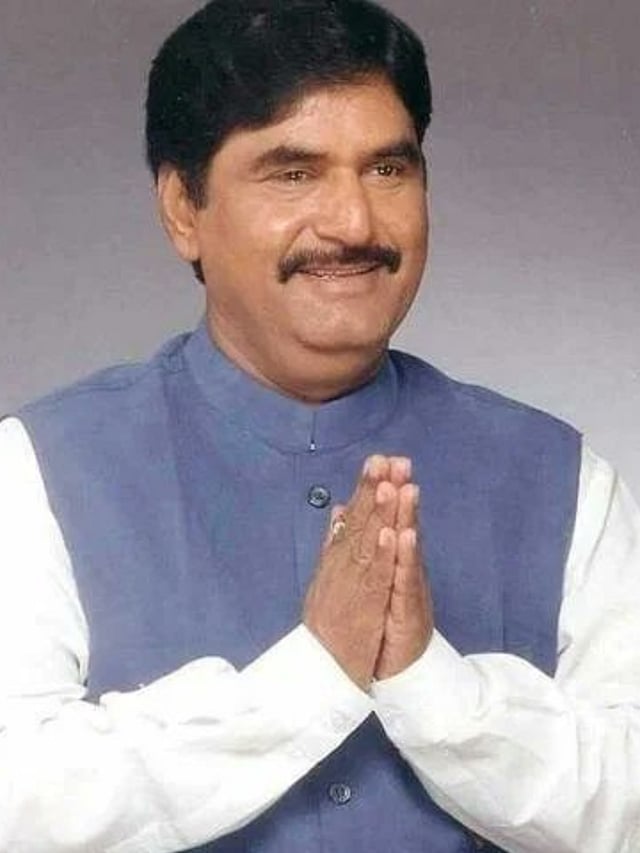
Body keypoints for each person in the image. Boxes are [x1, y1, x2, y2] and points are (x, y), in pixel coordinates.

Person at [0, 0, 639, 850]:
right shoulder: (39, 473)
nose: (354, 224)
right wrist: (311, 677)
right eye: (293, 173)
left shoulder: (561, 478)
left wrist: (431, 685)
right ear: (184, 209)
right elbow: (17, 801)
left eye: (387, 168)